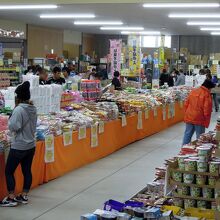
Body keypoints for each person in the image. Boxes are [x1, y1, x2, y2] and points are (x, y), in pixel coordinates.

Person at [0, 81, 37, 207]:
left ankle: (11, 197)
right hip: (31, 145)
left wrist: (10, 121)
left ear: (18, 97)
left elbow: (14, 127)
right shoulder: (33, 108)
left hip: (19, 146)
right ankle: (24, 195)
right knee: (26, 171)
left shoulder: (19, 110)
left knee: (9, 171)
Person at [182, 79, 215, 145]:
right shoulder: (206, 94)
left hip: (189, 116)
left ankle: (184, 149)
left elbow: (186, 104)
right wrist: (206, 119)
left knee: (187, 133)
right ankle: (199, 151)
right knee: (200, 136)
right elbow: (207, 109)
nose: (211, 90)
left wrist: (187, 113)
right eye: (211, 89)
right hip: (200, 118)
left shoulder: (194, 91)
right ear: (208, 87)